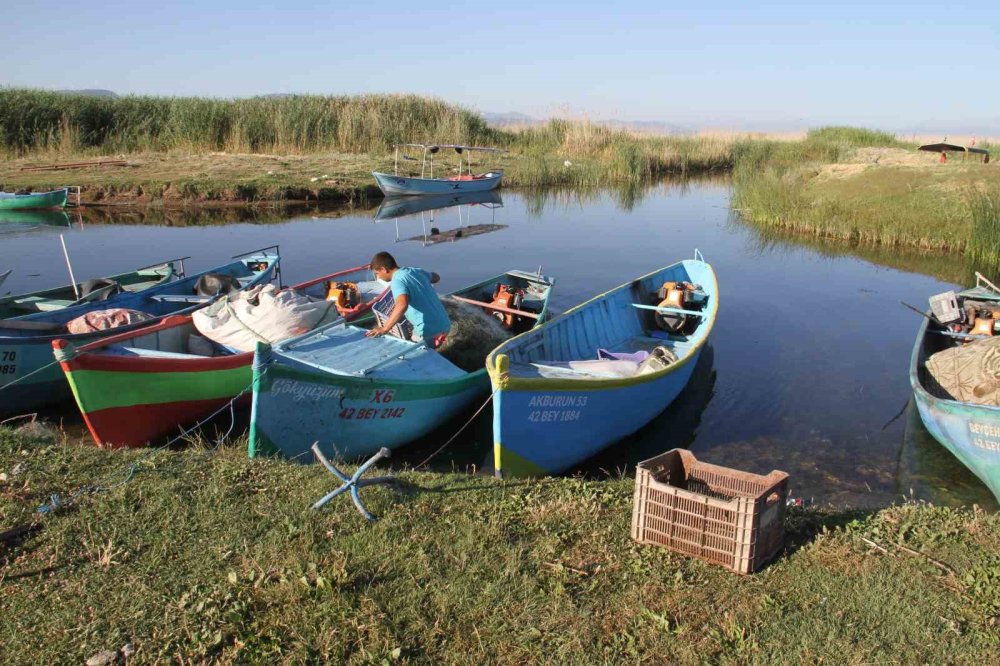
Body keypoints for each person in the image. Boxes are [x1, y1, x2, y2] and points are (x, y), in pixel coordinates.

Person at [365, 251, 451, 346]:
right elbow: (436, 277)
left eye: (377, 273)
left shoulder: (397, 281)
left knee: (412, 353)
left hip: (427, 331)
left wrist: (384, 328)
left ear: (384, 269)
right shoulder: (415, 271)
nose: (378, 277)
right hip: (445, 324)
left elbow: (402, 305)